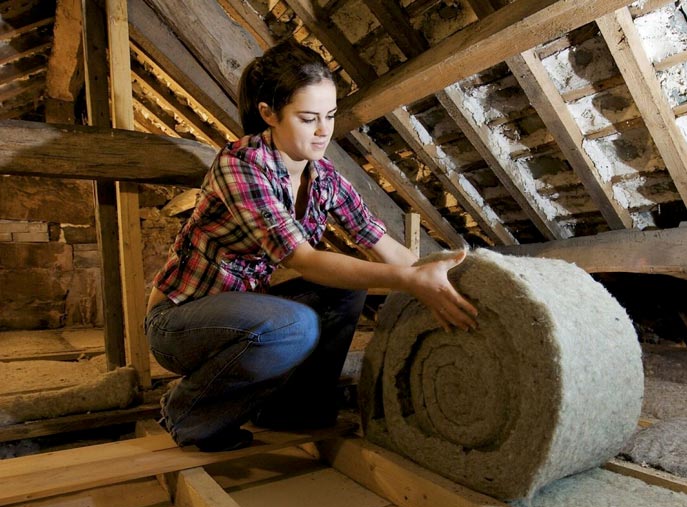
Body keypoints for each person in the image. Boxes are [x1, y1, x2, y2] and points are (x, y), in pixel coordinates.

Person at [144, 39, 478, 452]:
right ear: (269, 113)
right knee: (294, 327)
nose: (324, 131)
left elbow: (378, 241)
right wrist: (407, 282)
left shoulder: (324, 177)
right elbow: (304, 260)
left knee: (345, 290)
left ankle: (293, 410)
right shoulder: (240, 166)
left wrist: (444, 282)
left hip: (244, 313)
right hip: (178, 322)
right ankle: (187, 413)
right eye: (308, 119)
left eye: (330, 116)